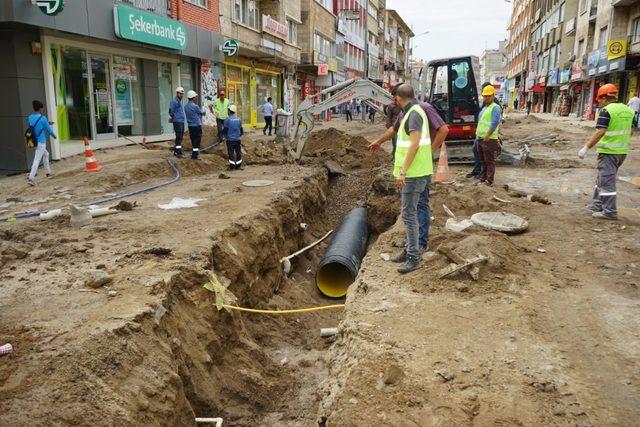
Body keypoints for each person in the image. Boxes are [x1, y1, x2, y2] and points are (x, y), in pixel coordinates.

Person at [369, 96, 449, 254]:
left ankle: (420, 242)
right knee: (411, 209)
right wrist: (379, 141)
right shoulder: (405, 112)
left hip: (419, 168)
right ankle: (412, 239)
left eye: (395, 98)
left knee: (420, 205)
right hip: (412, 168)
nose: (394, 102)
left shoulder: (424, 108)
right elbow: (395, 128)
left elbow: (444, 130)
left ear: (399, 97)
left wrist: (430, 151)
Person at [379, 84, 434, 274]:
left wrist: (402, 171)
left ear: (398, 98)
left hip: (414, 173)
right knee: (410, 213)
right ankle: (409, 250)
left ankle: (413, 257)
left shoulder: (414, 114)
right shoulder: (411, 112)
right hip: (417, 171)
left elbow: (415, 143)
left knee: (409, 215)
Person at [578, 83, 634, 220]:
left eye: (600, 100)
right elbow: (631, 131)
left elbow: (600, 132)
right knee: (602, 179)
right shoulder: (628, 110)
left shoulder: (606, 111)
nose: (600, 103)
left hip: (609, 152)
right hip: (621, 152)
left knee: (607, 181)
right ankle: (597, 204)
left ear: (604, 98)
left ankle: (609, 211)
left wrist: (586, 147)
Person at [467, 83, 501, 180]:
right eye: (485, 96)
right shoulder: (485, 107)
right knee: (483, 161)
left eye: (488, 96)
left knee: (489, 161)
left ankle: (489, 180)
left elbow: (495, 122)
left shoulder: (495, 107)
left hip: (488, 139)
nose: (486, 98)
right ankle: (483, 177)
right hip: (481, 138)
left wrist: (487, 135)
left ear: (493, 96)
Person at [27, 100, 56, 186]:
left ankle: (48, 172)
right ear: (40, 108)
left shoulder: (30, 117)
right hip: (41, 142)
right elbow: (48, 130)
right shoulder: (43, 118)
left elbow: (35, 126)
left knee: (46, 154)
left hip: (34, 141)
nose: (42, 110)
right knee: (37, 160)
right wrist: (54, 136)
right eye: (42, 108)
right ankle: (31, 178)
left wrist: (48, 123)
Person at [185, 90, 206, 160]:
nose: (196, 98)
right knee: (197, 140)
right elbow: (201, 113)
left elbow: (193, 114)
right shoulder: (195, 106)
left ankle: (194, 154)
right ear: (193, 97)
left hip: (190, 126)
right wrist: (204, 112)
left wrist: (197, 115)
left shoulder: (185, 106)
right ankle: (195, 155)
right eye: (195, 97)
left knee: (193, 139)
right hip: (197, 125)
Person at [384, 84, 403, 158]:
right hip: (394, 128)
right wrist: (389, 128)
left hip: (403, 128)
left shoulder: (404, 106)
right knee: (395, 143)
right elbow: (388, 118)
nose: (395, 99)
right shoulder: (391, 106)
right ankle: (395, 156)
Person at [223, 105, 244, 170]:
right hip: (237, 139)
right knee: (238, 152)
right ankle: (238, 166)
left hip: (230, 139)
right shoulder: (239, 119)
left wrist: (224, 136)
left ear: (229, 111)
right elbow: (241, 130)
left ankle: (232, 166)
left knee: (231, 152)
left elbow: (225, 130)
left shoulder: (227, 120)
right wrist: (239, 135)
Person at [168, 87, 185, 158]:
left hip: (181, 121)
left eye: (182, 94)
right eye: (180, 94)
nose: (181, 95)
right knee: (178, 137)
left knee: (180, 137)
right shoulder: (174, 101)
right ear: (177, 93)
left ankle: (176, 150)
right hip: (177, 121)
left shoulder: (179, 101)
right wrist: (174, 117)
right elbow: (171, 111)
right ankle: (178, 152)